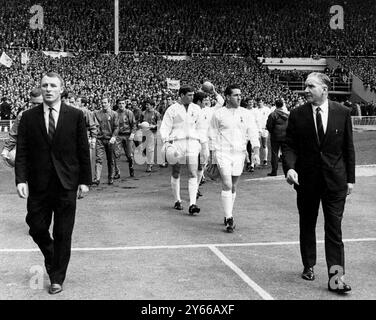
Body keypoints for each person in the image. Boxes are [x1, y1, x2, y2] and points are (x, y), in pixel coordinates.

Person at [15, 72, 91, 295]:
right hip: (39, 184)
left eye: (53, 85)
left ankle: (57, 277)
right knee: (36, 226)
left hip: (66, 183)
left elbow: (83, 150)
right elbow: (23, 152)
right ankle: (52, 255)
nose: (48, 89)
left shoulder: (75, 115)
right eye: (44, 85)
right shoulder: (28, 117)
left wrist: (85, 181)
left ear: (61, 89)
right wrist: (21, 179)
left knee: (63, 232)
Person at [283, 72, 355, 293]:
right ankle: (309, 265)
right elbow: (289, 146)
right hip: (307, 181)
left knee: (334, 230)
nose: (306, 90)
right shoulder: (297, 114)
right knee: (308, 224)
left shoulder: (343, 113)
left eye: (311, 86)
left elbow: (348, 148)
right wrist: (291, 168)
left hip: (335, 182)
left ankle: (336, 279)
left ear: (324, 88)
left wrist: (350, 179)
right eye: (305, 86)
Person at [210, 85, 259, 232]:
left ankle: (227, 213)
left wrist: (255, 152)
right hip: (222, 152)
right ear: (227, 97)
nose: (239, 97)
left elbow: (253, 133)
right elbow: (212, 134)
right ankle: (229, 218)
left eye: (240, 95)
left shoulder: (246, 113)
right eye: (236, 95)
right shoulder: (218, 114)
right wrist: (212, 155)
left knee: (233, 185)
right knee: (227, 183)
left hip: (239, 153)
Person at [160, 85, 208, 215]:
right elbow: (164, 127)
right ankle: (177, 200)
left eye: (193, 95)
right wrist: (166, 141)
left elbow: (201, 128)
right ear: (181, 95)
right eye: (189, 95)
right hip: (177, 142)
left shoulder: (196, 109)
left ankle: (193, 204)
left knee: (193, 172)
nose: (192, 97)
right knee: (176, 171)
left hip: (192, 143)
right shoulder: (172, 109)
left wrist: (203, 144)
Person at [1, 88, 43, 163]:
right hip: (28, 155)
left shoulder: (53, 115)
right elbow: (14, 134)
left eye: (39, 103)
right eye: (34, 103)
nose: (36, 106)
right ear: (30, 102)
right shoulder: (22, 115)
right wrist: (6, 149)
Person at [93, 96, 119, 185]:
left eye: (105, 103)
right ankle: (97, 178)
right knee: (98, 158)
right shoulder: (97, 113)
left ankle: (111, 177)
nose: (103, 104)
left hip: (110, 139)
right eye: (102, 103)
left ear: (109, 103)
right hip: (100, 139)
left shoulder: (114, 114)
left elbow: (116, 127)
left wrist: (114, 136)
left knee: (110, 159)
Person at [113, 97, 136, 178]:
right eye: (119, 103)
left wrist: (133, 134)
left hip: (127, 135)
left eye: (123, 103)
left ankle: (131, 168)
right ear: (117, 104)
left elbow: (133, 124)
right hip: (118, 135)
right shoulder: (115, 113)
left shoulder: (129, 113)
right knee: (116, 154)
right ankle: (117, 172)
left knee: (129, 155)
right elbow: (113, 126)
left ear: (125, 104)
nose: (121, 105)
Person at [266, 99, 289, 176]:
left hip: (275, 136)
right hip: (285, 136)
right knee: (285, 154)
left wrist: (272, 132)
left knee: (275, 154)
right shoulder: (288, 114)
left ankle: (274, 171)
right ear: (283, 105)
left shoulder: (273, 114)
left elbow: (269, 126)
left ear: (275, 105)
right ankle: (287, 171)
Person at [140, 99, 161, 172]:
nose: (146, 106)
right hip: (144, 133)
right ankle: (149, 161)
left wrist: (154, 126)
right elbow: (139, 122)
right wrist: (140, 125)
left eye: (147, 105)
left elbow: (159, 124)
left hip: (152, 133)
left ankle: (149, 164)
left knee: (150, 149)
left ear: (152, 106)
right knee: (144, 149)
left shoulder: (156, 113)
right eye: (146, 105)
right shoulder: (143, 113)